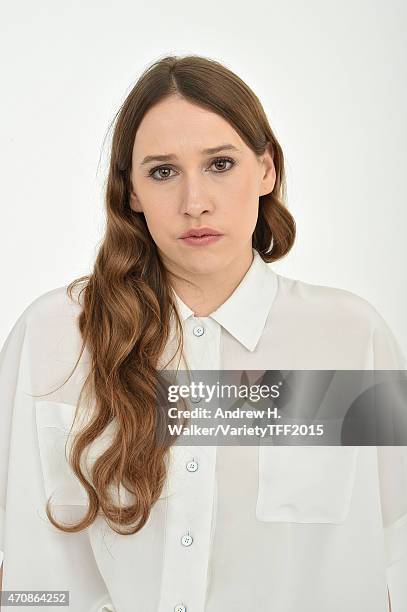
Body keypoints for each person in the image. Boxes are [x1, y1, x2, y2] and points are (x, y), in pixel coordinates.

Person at [0, 54, 405, 612]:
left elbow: (391, 557)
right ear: (132, 192)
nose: (195, 203)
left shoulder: (349, 339)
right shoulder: (54, 338)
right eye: (163, 171)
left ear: (267, 169)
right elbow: (24, 573)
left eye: (219, 164)